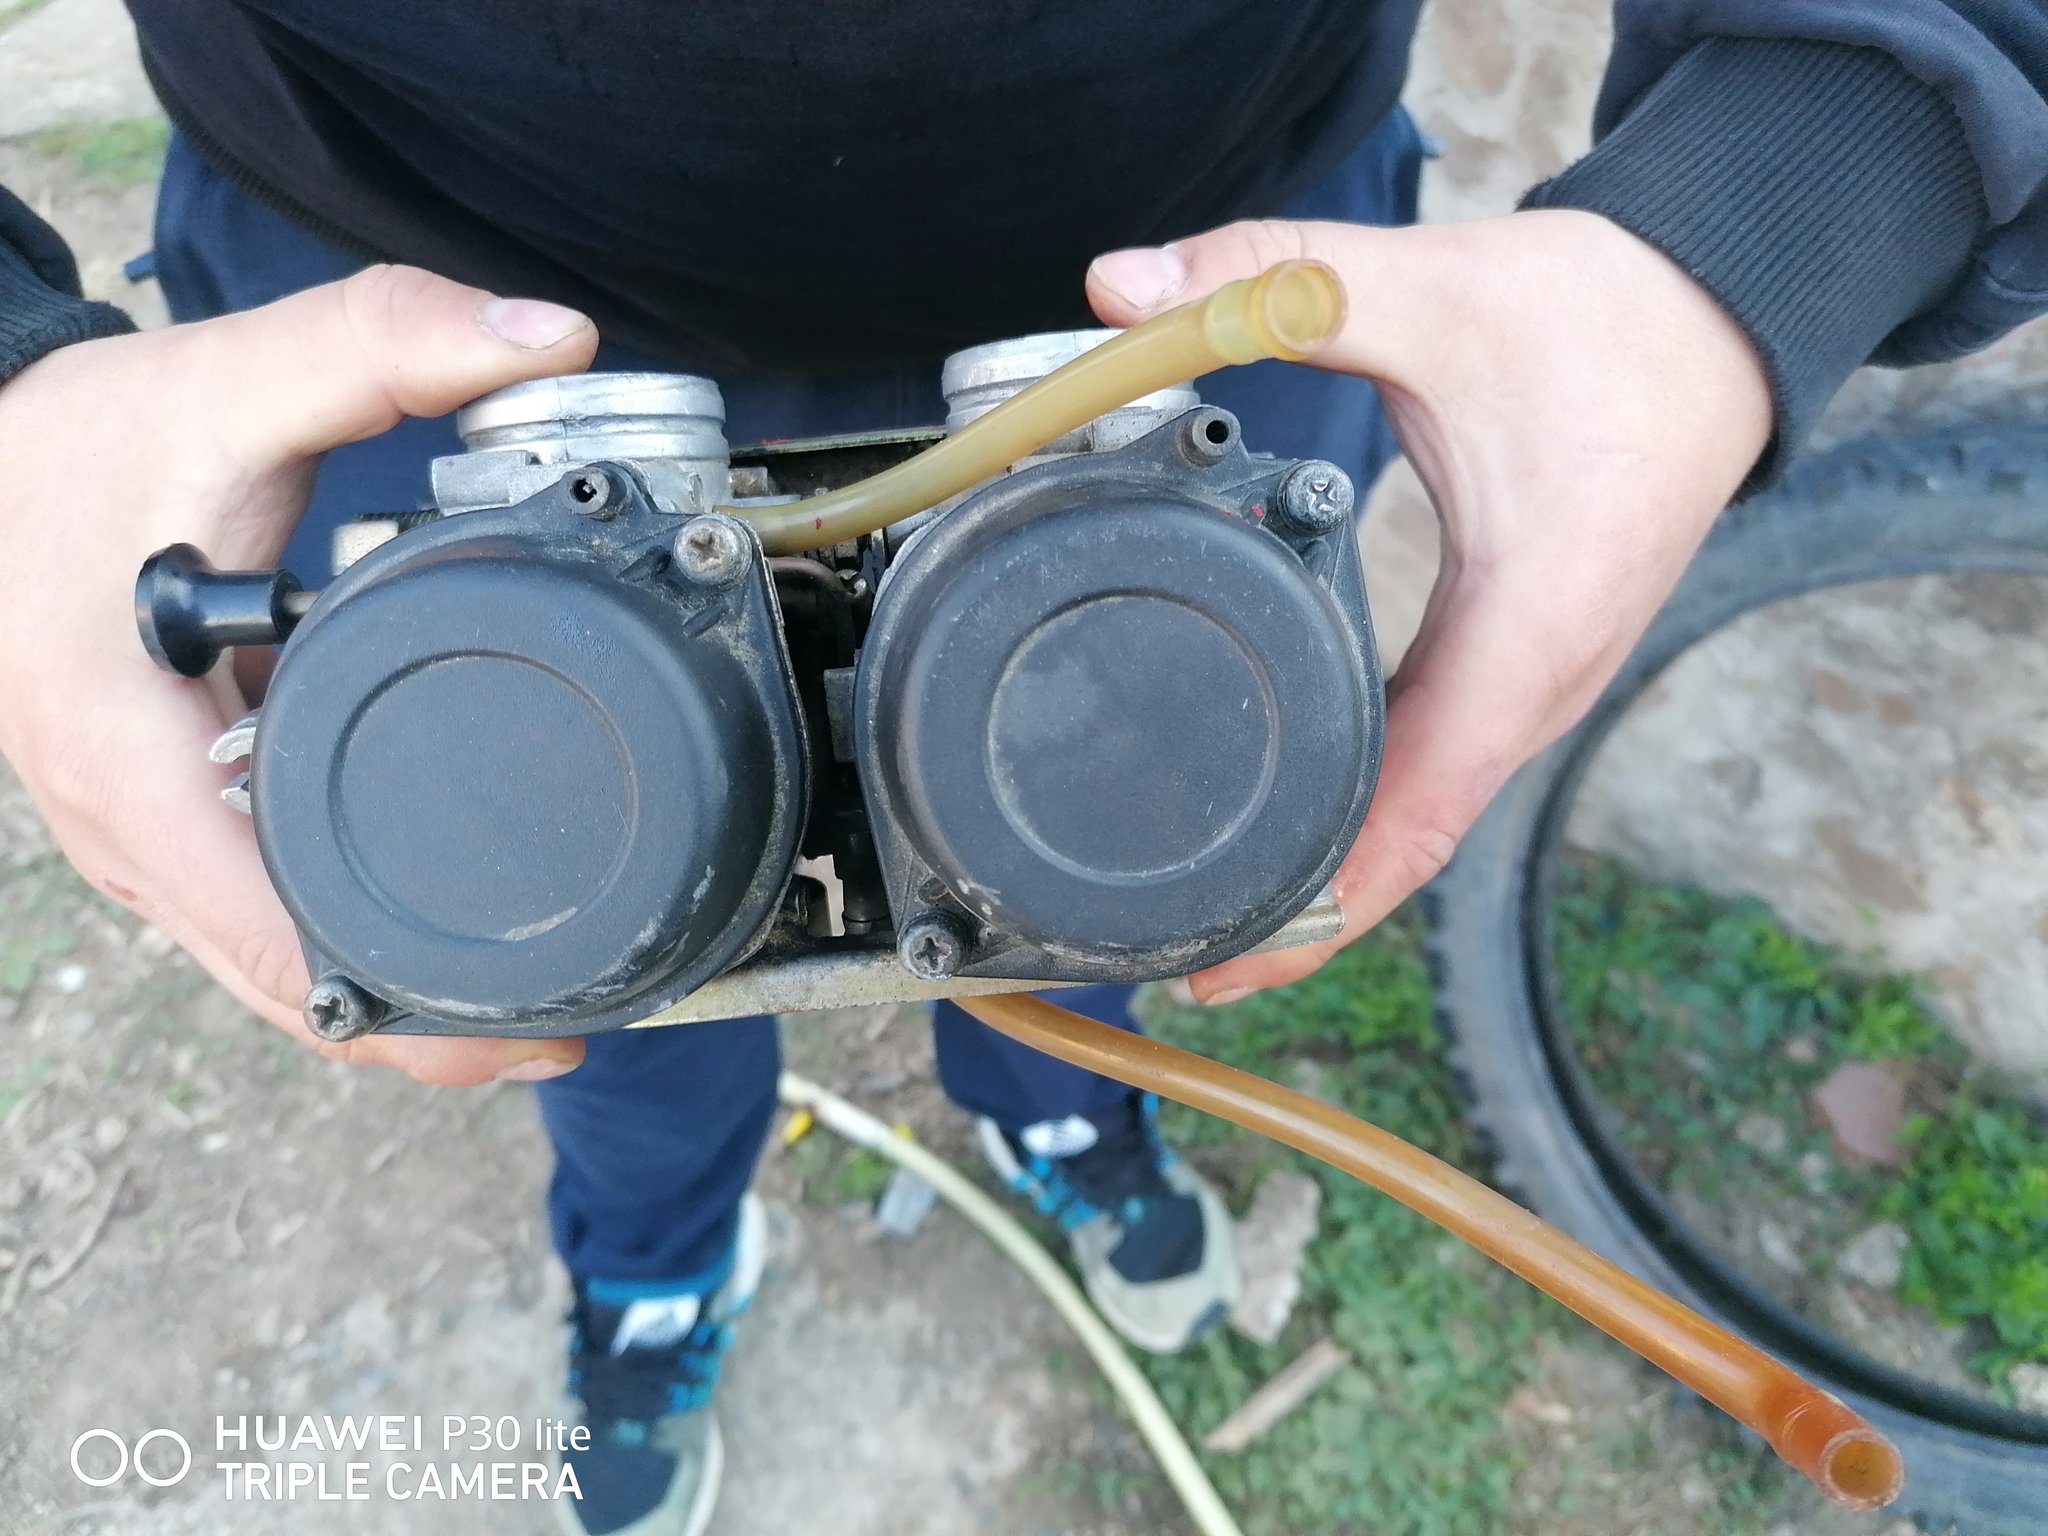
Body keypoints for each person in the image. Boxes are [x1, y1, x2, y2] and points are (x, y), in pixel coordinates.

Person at [1, 3, 2043, 1532]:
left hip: (1186, 307)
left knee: (1113, 848)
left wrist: (1766, 201)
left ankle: (1058, 1107)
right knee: (570, 936)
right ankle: (652, 1254)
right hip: (401, 305)